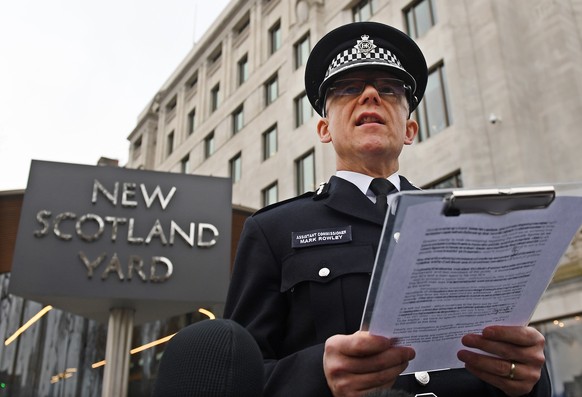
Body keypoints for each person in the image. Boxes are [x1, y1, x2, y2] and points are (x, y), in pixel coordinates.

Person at [224, 21, 550, 397]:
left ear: (410, 130)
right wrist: (317, 375)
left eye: (390, 90)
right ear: (324, 129)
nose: (370, 96)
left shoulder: (469, 223)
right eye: (348, 89)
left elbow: (508, 354)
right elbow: (236, 377)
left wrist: (529, 381)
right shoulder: (274, 230)